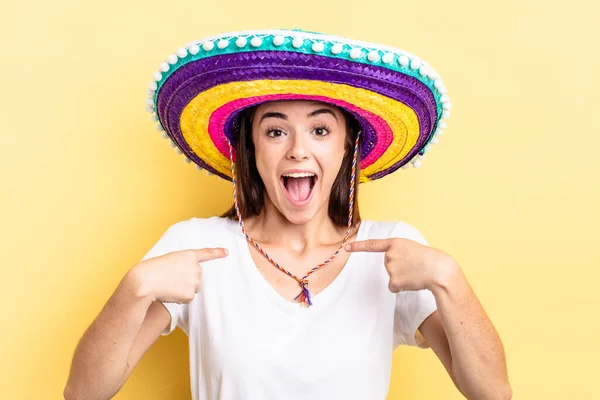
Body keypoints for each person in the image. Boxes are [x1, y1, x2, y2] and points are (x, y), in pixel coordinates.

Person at [64, 29, 511, 399]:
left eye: (320, 130)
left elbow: (492, 393)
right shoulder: (197, 248)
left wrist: (448, 278)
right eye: (276, 131)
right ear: (251, 150)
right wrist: (133, 288)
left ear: (346, 148)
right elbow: (83, 394)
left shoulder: (392, 251)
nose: (298, 150)